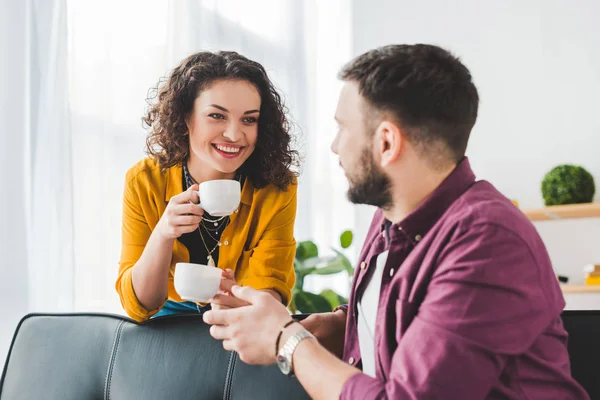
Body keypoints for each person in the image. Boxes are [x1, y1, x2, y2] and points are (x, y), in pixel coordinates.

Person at [203, 44, 589, 399]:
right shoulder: (392, 213)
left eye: (343, 127)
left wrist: (286, 340)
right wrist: (334, 327)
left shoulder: (489, 241)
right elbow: (404, 325)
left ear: (386, 143)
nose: (335, 145)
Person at [116, 51, 299, 322]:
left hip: (240, 322)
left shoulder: (277, 188)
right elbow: (140, 306)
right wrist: (164, 233)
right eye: (217, 116)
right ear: (185, 117)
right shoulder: (144, 181)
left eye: (249, 119)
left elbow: (269, 295)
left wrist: (236, 296)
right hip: (165, 326)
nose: (235, 135)